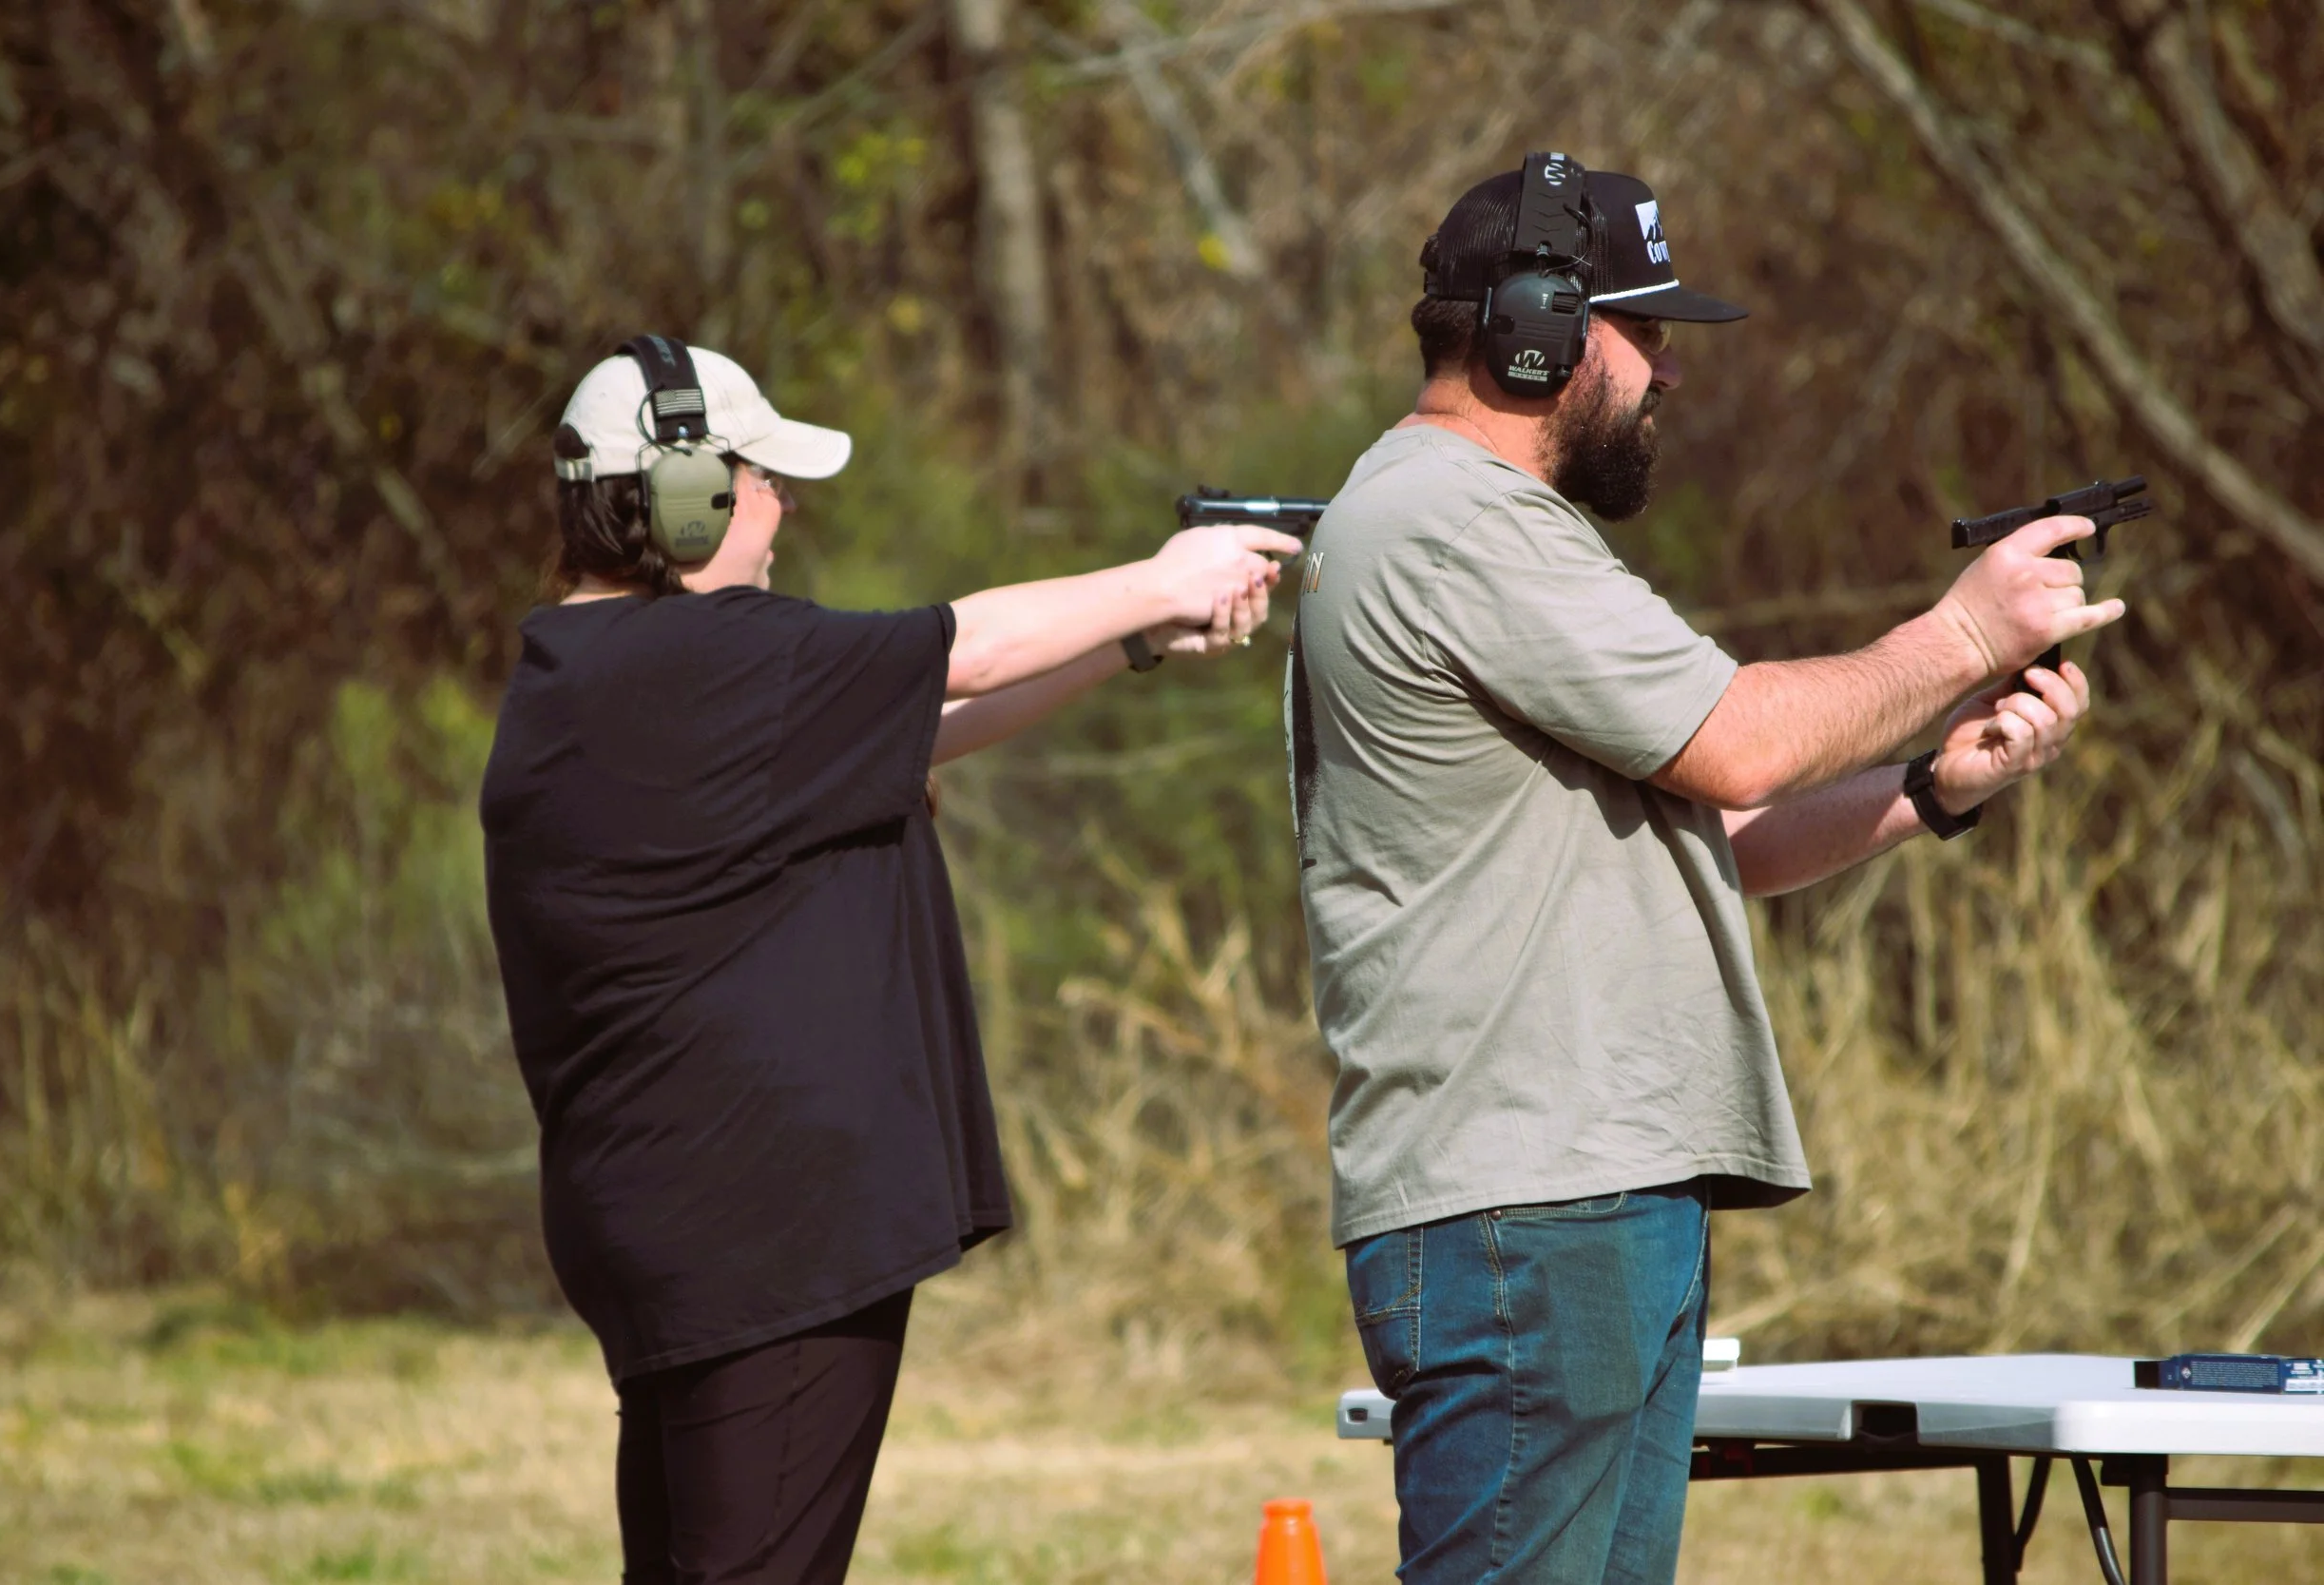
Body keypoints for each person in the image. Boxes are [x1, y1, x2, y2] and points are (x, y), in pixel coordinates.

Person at [1288, 162, 2123, 1583]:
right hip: (1531, 1214)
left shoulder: (1488, 533)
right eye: (1645, 328)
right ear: (1535, 329)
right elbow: (1740, 743)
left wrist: (1931, 787)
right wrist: (1964, 635)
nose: (1668, 369)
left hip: (1586, 1202)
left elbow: (1709, 835)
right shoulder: (1454, 523)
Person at [479, 337, 1301, 1585]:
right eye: (763, 477)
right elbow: (956, 648)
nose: (784, 505)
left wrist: (1127, 639)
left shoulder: (588, 678)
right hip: (773, 1251)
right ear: (685, 492)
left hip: (677, 1232)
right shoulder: (704, 661)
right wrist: (1157, 577)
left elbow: (922, 714)